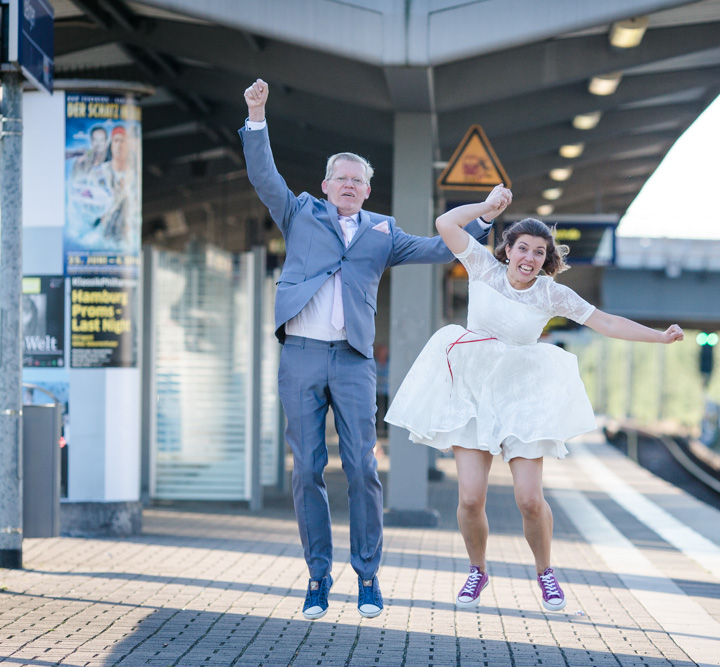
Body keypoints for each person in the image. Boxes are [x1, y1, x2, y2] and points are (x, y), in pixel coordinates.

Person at [240, 79, 494, 621]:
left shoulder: (383, 232)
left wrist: (485, 217)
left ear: (367, 191)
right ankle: (316, 577)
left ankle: (369, 576)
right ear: (326, 185)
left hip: (353, 360)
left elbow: (436, 247)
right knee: (306, 469)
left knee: (361, 467)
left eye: (359, 180)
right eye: (342, 178)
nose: (350, 185)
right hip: (302, 354)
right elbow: (264, 176)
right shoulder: (298, 212)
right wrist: (257, 116)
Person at [385, 184, 684, 612]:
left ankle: (546, 573)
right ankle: (477, 570)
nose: (529, 258)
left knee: (528, 499)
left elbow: (608, 322)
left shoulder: (551, 294)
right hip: (472, 392)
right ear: (507, 250)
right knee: (470, 497)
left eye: (539, 252)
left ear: (547, 260)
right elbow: (445, 224)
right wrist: (487, 208)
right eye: (522, 248)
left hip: (522, 396)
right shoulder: (481, 266)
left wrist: (659, 336)